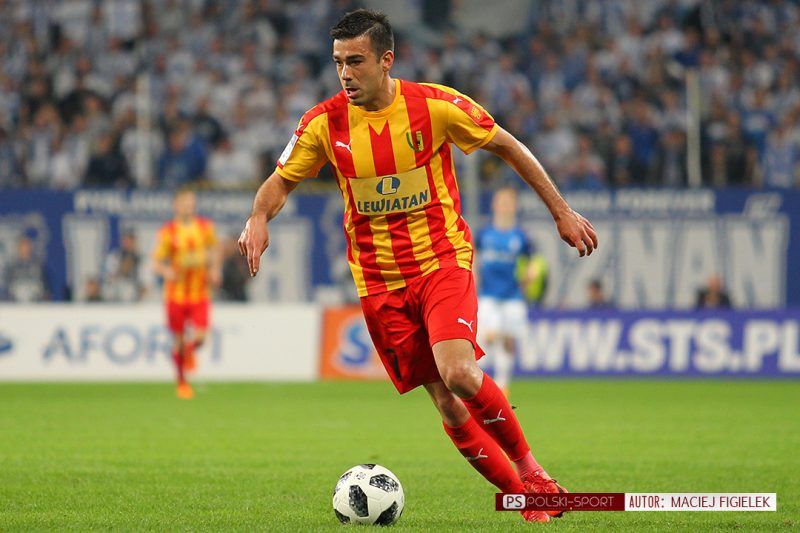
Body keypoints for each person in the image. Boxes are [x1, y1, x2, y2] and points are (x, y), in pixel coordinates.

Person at [238, 10, 597, 523]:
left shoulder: (435, 106)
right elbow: (279, 182)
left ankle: (533, 471)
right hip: (379, 282)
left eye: (356, 61)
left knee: (459, 372)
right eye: (338, 62)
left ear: (386, 60)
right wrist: (258, 217)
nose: (345, 73)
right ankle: (527, 502)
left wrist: (561, 211)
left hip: (440, 261)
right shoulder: (323, 123)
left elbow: (508, 146)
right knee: (448, 404)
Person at [153, 189, 221, 399]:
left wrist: (215, 269)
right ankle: (182, 382)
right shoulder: (168, 231)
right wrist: (166, 271)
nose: (188, 206)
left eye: (191, 202)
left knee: (201, 338)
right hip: (176, 294)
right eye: (184, 203)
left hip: (200, 292)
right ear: (176, 206)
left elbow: (214, 249)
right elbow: (157, 261)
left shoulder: (205, 227)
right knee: (179, 339)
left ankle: (186, 355)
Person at [475, 187, 536, 399]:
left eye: (508, 203)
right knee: (489, 336)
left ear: (514, 207)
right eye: (501, 202)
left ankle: (502, 385)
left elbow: (531, 262)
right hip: (488, 295)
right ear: (494, 205)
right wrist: (473, 277)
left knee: (509, 340)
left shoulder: (521, 236)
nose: (504, 206)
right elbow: (474, 257)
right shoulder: (484, 233)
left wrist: (530, 275)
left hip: (513, 295)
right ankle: (478, 383)